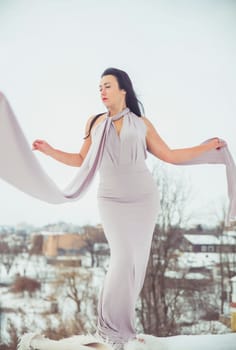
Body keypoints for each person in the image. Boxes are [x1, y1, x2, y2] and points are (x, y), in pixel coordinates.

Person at [31, 68, 226, 350]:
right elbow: (80, 160)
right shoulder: (95, 122)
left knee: (136, 263)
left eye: (107, 85)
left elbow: (169, 155)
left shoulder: (141, 123)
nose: (102, 91)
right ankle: (109, 329)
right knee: (122, 257)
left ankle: (125, 329)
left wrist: (205, 147)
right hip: (111, 199)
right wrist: (49, 150)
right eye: (99, 87)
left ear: (123, 89)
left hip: (144, 198)